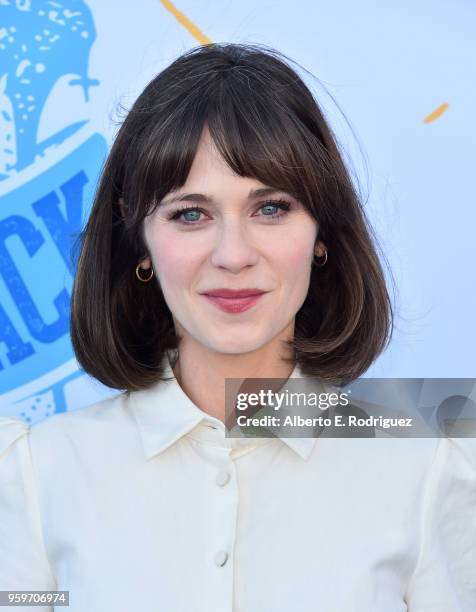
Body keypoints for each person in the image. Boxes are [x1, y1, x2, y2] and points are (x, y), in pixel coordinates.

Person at [1, 42, 475, 611]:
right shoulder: (36, 474)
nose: (233, 254)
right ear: (139, 241)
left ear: (321, 232)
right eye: (191, 214)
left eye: (270, 208)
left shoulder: (427, 469)